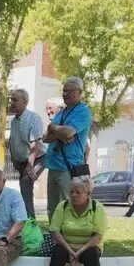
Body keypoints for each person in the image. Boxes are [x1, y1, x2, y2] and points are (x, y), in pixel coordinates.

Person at [47, 180, 107, 266]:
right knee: (57, 253)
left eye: (78, 192)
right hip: (66, 245)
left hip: (89, 245)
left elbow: (98, 236)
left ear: (88, 194)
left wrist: (79, 252)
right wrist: (70, 250)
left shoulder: (97, 208)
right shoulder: (62, 206)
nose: (73, 195)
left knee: (92, 255)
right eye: (71, 192)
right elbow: (55, 231)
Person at [43, 76, 92, 221]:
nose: (65, 94)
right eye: (64, 90)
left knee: (67, 205)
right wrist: (59, 132)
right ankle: (54, 238)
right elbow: (46, 137)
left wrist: (55, 129)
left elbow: (69, 133)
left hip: (68, 167)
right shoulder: (61, 112)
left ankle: (68, 239)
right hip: (53, 166)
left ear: (79, 91)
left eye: (69, 90)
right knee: (52, 208)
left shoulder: (83, 112)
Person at [7, 88, 46, 220]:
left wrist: (30, 166)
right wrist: (14, 160)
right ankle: (26, 222)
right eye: (11, 100)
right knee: (24, 190)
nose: (11, 103)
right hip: (22, 162)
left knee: (25, 186)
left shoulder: (33, 118)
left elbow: (34, 146)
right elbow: (14, 141)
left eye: (15, 100)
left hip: (37, 159)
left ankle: (30, 223)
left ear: (25, 102)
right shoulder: (13, 121)